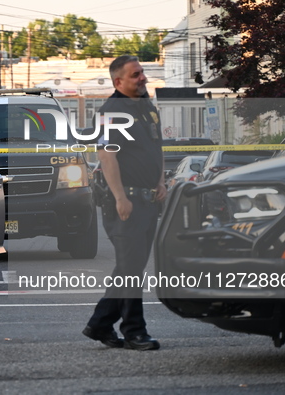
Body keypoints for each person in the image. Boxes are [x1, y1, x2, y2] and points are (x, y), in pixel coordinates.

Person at [83, 55, 167, 351]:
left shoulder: (147, 109)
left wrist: (160, 181)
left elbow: (156, 148)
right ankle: (134, 331)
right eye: (135, 75)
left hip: (147, 200)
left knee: (131, 268)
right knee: (130, 269)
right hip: (125, 201)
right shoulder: (112, 111)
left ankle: (100, 324)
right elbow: (107, 157)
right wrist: (120, 197)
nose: (142, 78)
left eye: (142, 72)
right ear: (119, 82)